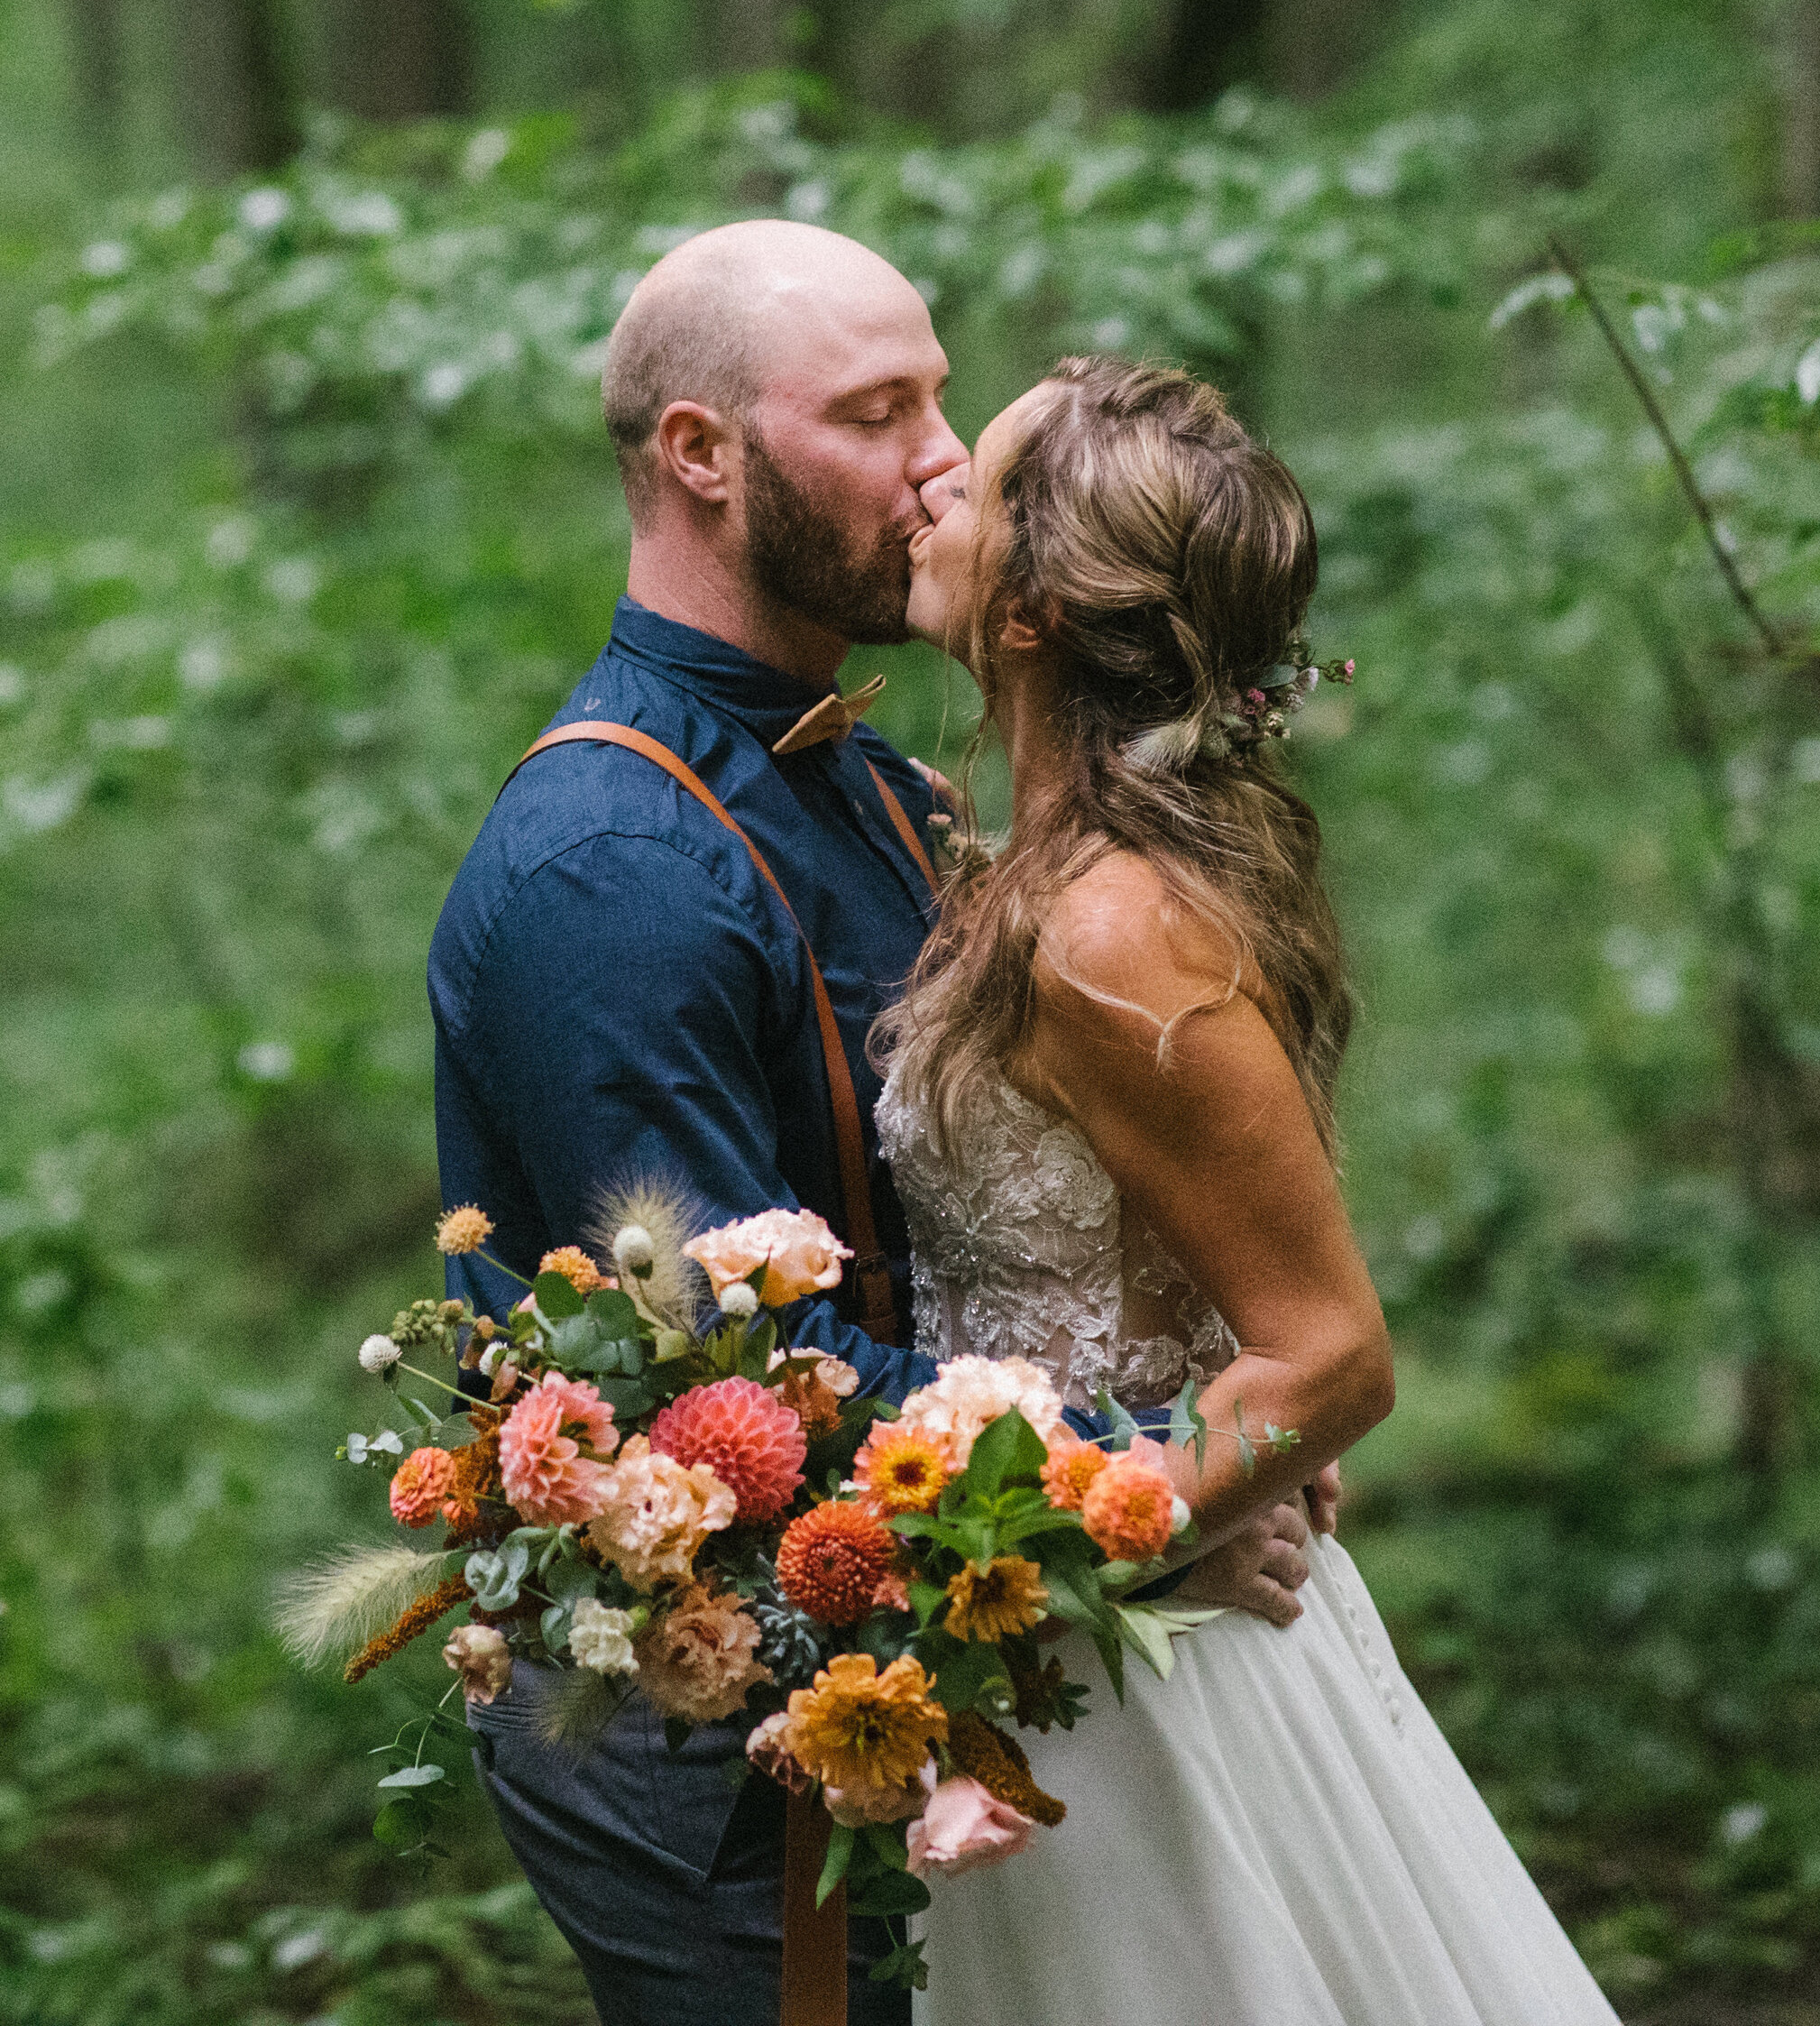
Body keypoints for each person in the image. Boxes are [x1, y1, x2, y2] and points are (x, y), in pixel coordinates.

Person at [427, 226, 1321, 2026]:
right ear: (700, 453)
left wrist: (1223, 1403)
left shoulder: (887, 785)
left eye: (939, 394)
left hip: (924, 1643)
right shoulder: (613, 868)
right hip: (706, 1725)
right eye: (875, 410)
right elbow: (728, 1394)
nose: (938, 454)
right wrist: (1150, 1475)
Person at [887, 354, 1622, 2026]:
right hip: (1070, 1664)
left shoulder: (1113, 931)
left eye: (979, 481)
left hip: (1152, 1691)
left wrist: (1046, 1558)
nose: (932, 481)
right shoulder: (1034, 881)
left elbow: (1332, 1358)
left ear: (1028, 616)